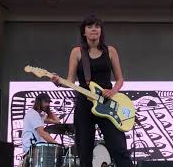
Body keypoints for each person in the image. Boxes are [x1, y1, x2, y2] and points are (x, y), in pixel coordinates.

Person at [51, 15, 133, 167]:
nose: (94, 29)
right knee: (85, 153)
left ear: (101, 31)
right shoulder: (76, 52)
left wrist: (113, 91)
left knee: (119, 149)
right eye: (89, 27)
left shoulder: (111, 51)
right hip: (84, 105)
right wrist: (58, 83)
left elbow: (120, 79)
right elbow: (70, 81)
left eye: (97, 26)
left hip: (108, 103)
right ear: (84, 32)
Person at [21, 93, 60, 157]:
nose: (47, 104)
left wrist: (49, 111)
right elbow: (42, 133)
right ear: (39, 102)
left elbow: (57, 121)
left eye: (48, 102)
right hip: (32, 147)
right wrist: (56, 144)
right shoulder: (33, 114)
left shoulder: (40, 115)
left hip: (38, 147)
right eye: (45, 102)